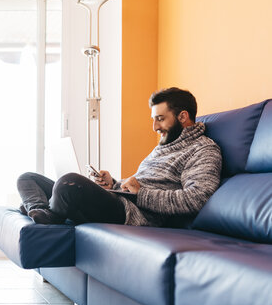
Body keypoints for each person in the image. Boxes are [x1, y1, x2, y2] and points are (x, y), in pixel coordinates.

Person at [16, 87, 222, 227]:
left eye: (160, 119)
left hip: (133, 214)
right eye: (154, 119)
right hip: (121, 199)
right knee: (27, 178)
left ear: (183, 117)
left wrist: (142, 194)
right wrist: (113, 183)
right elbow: (138, 185)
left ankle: (46, 210)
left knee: (67, 183)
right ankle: (42, 210)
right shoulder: (165, 144)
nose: (155, 127)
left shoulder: (203, 150)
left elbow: (197, 199)